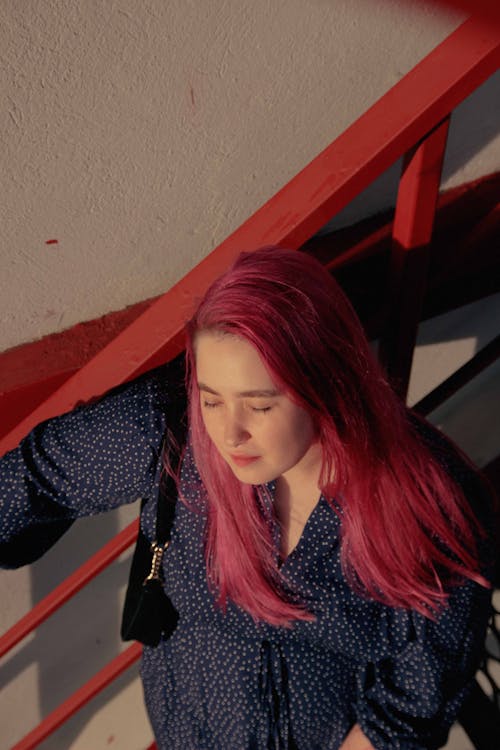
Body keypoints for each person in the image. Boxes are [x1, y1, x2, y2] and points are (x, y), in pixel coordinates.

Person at [0, 247, 496, 750]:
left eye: (259, 404)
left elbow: (416, 697)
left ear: (328, 383)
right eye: (211, 398)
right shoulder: (172, 431)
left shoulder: (429, 503)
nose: (228, 433)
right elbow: (33, 479)